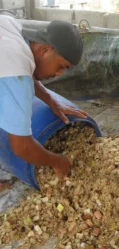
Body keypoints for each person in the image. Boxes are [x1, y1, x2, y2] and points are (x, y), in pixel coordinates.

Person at [0, 15, 86, 191]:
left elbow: (23, 68)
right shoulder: (17, 75)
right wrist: (57, 161)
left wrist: (50, 99)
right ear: (46, 50)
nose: (59, 74)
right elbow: (22, 146)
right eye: (61, 66)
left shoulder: (10, 25)